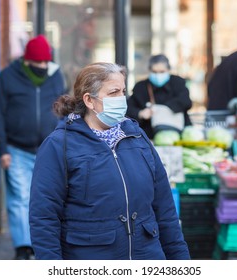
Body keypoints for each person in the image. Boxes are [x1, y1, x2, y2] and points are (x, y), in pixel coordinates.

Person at [29, 62, 190, 260]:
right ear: (89, 100)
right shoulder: (59, 145)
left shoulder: (137, 136)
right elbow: (44, 218)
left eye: (123, 91)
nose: (121, 99)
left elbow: (165, 208)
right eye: (113, 93)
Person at [0, 34, 67, 260]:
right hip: (16, 149)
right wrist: (2, 149)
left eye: (46, 62)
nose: (43, 66)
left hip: (49, 149)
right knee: (20, 199)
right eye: (39, 62)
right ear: (27, 61)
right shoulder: (7, 77)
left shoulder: (55, 75)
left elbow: (63, 110)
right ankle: (24, 248)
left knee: (48, 198)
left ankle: (43, 245)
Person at [126, 54, 192, 139]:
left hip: (179, 134)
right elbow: (129, 108)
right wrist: (141, 113)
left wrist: (163, 108)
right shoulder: (141, 87)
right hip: (150, 136)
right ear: (149, 71)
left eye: (162, 71)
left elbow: (186, 102)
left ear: (168, 70)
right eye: (154, 72)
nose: (158, 75)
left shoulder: (178, 82)